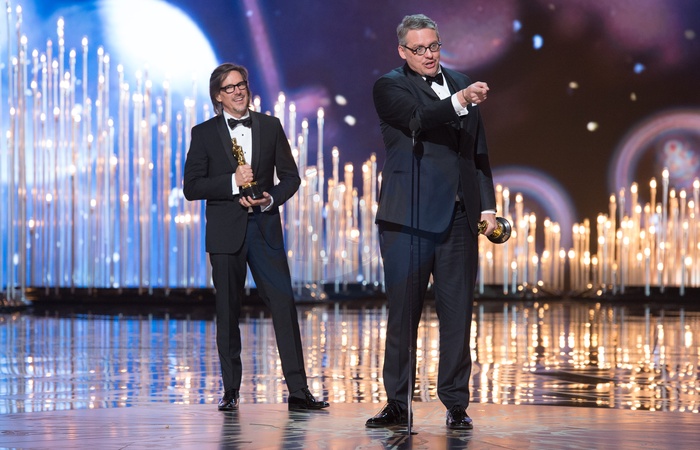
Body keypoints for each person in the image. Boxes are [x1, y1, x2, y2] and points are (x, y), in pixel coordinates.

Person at [365, 14, 497, 430]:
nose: (428, 54)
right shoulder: (390, 86)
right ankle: (398, 402)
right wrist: (460, 101)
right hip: (408, 219)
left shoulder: (461, 82)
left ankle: (456, 403)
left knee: (458, 316)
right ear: (403, 51)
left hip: (459, 218)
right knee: (403, 315)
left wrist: (487, 206)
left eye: (434, 46)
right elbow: (419, 117)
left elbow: (476, 151)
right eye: (419, 48)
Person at [183, 62, 329, 412]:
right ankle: (231, 391)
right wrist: (232, 182)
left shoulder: (270, 125)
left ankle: (299, 391)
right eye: (229, 87)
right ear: (218, 96)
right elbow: (192, 187)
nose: (238, 91)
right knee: (227, 310)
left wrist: (270, 199)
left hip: (264, 229)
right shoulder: (203, 133)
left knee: (283, 306)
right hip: (226, 233)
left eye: (241, 84)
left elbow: (291, 177)